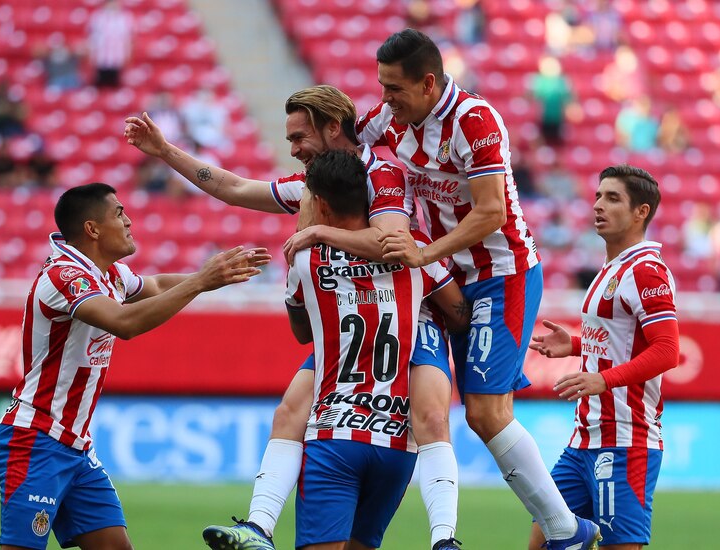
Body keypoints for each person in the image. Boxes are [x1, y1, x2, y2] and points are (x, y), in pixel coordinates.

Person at [127, 84, 467, 549]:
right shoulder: (316, 183)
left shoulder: (381, 171)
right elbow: (232, 188)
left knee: (430, 415)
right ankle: (259, 525)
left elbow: (390, 241)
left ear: (332, 127)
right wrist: (165, 150)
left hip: (414, 307)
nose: (293, 150)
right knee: (290, 409)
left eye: (299, 137)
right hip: (353, 315)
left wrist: (315, 232)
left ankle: (444, 537)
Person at [357, 28, 599, 549]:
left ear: (427, 84)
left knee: (487, 411)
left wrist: (425, 253)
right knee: (455, 410)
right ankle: (564, 531)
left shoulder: (475, 119)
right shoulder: (387, 119)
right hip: (446, 278)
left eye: (394, 89)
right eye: (381, 87)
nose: (384, 100)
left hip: (500, 270)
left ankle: (567, 531)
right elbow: (339, 148)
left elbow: (491, 212)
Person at [0, 182, 270, 550]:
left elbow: (154, 285)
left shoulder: (108, 273)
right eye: (119, 213)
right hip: (37, 439)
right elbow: (125, 323)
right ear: (92, 229)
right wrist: (201, 281)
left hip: (76, 447)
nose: (129, 221)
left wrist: (216, 277)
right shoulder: (65, 276)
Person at [277, 150, 467, 550]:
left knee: (288, 413)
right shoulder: (412, 251)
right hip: (397, 443)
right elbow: (458, 312)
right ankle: (445, 537)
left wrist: (310, 235)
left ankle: (259, 523)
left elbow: (301, 332)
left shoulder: (306, 259)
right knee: (435, 422)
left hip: (335, 433)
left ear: (321, 204)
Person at [528, 164, 678, 549]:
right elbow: (623, 341)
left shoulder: (646, 270)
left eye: (612, 198)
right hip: (583, 439)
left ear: (640, 212)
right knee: (542, 541)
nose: (598, 205)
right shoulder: (611, 268)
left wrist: (602, 380)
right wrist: (577, 345)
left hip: (626, 441)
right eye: (597, 196)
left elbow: (667, 350)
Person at [88, 0, 133, 88]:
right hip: (101, 52)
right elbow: (93, 35)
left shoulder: (124, 17)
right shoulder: (98, 17)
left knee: (114, 79)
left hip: (117, 52)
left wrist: (128, 52)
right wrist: (91, 51)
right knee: (100, 79)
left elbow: (127, 36)